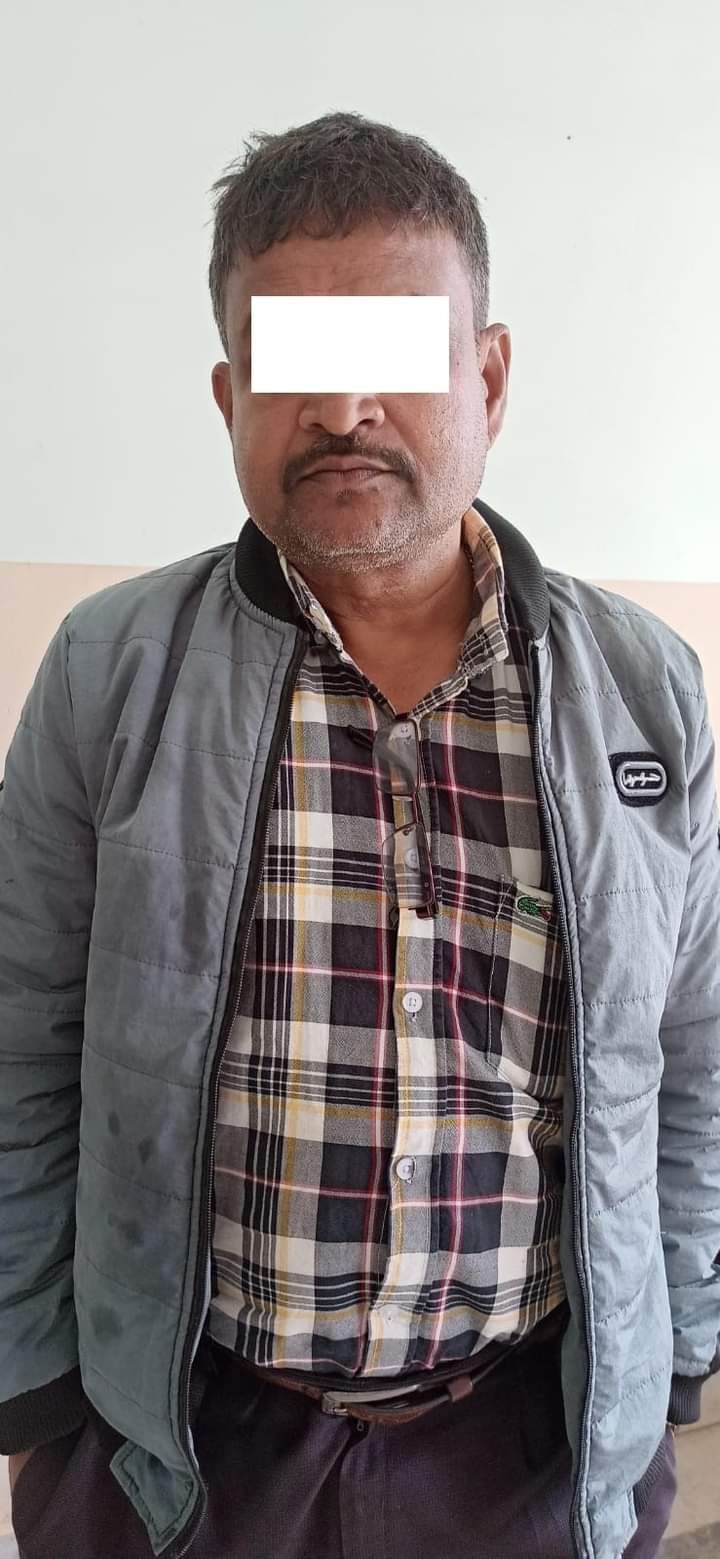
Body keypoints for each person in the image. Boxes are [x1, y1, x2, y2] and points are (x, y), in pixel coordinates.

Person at [1, 109, 719, 1559]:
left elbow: (694, 1059)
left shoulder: (646, 690)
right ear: (228, 394)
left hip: (529, 1459)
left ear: (488, 376)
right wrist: (39, 1388)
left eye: (393, 355)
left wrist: (680, 1352)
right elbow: (21, 1042)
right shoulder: (110, 672)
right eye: (291, 366)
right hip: (180, 1458)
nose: (341, 411)